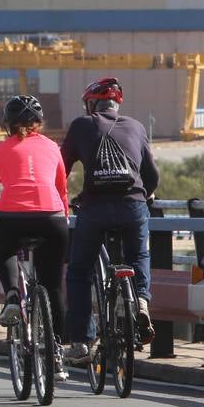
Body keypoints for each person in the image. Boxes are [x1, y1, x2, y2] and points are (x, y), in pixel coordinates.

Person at [0, 94, 70, 377]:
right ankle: (57, 353)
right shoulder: (52, 147)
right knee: (54, 288)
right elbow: (62, 190)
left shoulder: (0, 150)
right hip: (52, 218)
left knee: (3, 251)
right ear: (38, 123)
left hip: (12, 218)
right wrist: (64, 218)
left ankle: (12, 295)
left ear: (7, 125)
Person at [60, 77, 160, 364]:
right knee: (138, 254)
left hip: (95, 209)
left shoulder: (82, 125)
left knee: (79, 271)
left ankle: (80, 342)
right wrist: (147, 195)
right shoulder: (137, 127)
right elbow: (152, 176)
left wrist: (63, 200)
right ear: (117, 104)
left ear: (92, 104)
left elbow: (60, 169)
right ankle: (140, 299)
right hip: (133, 205)